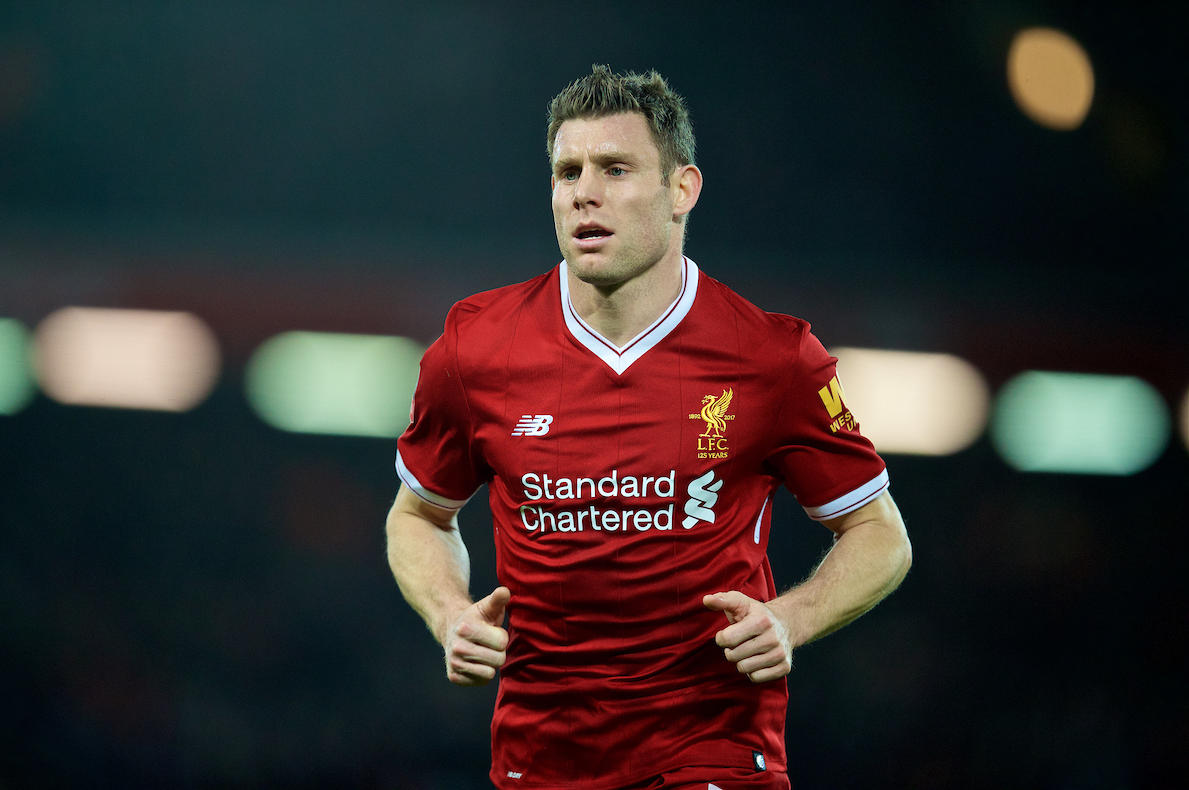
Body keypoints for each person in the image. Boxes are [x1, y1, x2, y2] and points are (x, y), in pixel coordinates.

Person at [385, 65, 912, 790]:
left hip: (712, 750)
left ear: (681, 190)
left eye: (616, 168)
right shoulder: (476, 348)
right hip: (540, 758)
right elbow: (418, 514)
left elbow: (882, 535)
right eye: (567, 171)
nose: (583, 193)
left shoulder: (772, 357)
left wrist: (792, 618)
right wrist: (449, 614)